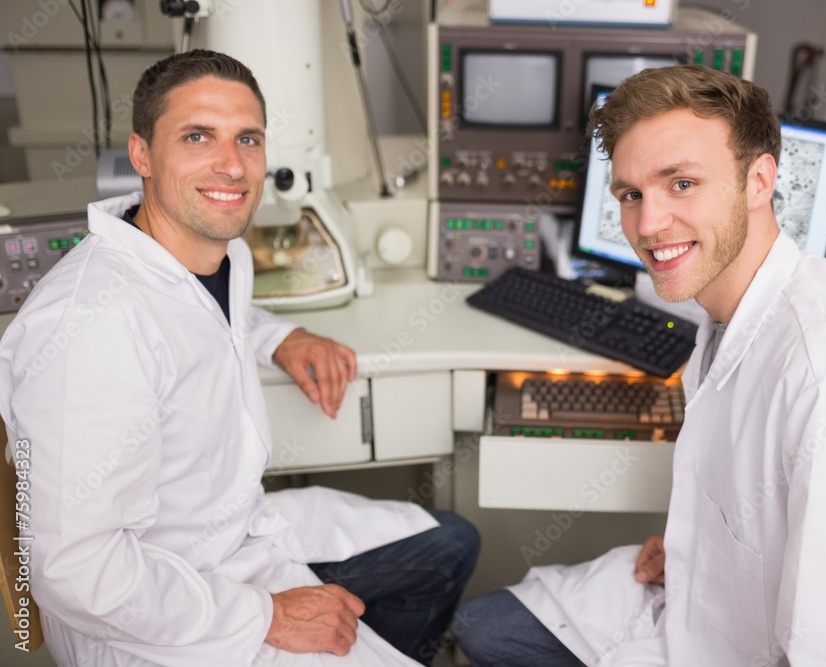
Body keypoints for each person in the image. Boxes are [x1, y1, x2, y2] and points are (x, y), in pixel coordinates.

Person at [454, 64, 826, 666]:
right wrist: (700, 549)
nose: (648, 224)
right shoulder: (730, 309)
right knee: (478, 626)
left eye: (681, 183)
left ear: (759, 179)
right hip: (695, 606)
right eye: (632, 194)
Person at [0, 49, 479, 667]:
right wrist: (270, 615)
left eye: (247, 139)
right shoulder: (86, 327)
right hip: (162, 618)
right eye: (198, 136)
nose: (231, 165)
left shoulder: (216, 251)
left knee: (450, 544)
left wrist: (278, 336)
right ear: (141, 154)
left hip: (235, 536)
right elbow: (76, 572)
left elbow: (203, 313)